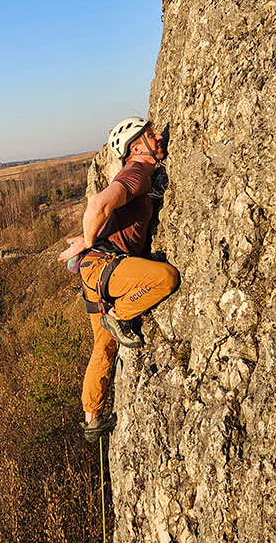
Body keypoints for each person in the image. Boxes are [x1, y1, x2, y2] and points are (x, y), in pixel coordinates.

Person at [58, 116, 180, 442]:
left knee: (103, 346)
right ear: (136, 146)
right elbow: (99, 203)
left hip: (95, 271)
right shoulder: (137, 171)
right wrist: (88, 238)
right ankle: (120, 314)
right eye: (152, 136)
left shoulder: (139, 172)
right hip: (106, 267)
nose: (159, 139)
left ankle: (92, 418)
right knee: (166, 278)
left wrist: (89, 241)